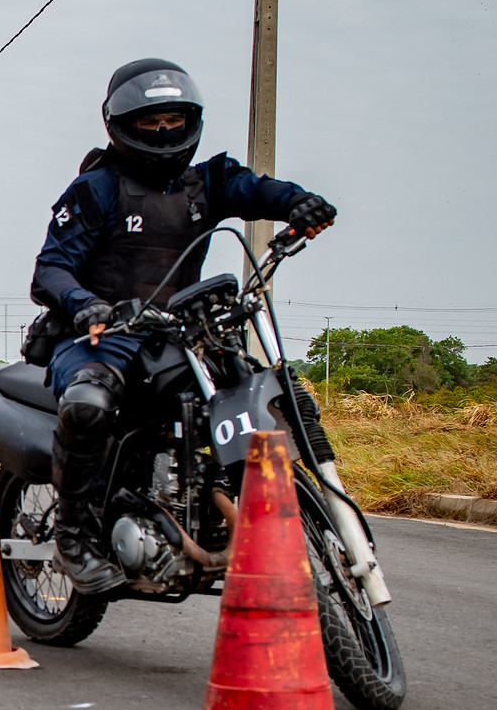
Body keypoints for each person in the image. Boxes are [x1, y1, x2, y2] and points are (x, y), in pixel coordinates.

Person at [30, 58, 337, 593]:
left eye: (173, 117)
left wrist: (297, 202)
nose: (164, 130)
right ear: (121, 125)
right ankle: (73, 532)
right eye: (150, 121)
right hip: (105, 336)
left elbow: (258, 191)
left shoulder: (207, 183)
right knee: (88, 405)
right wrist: (84, 304)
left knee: (257, 390)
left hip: (183, 334)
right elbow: (50, 267)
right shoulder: (95, 188)